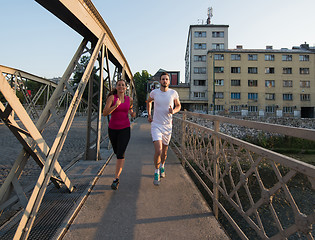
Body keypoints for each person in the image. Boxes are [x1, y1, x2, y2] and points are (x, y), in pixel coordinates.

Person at [146, 72, 181, 186]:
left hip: (167, 126)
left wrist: (173, 111)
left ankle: (162, 166)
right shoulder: (154, 92)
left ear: (169, 81)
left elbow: (178, 106)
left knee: (165, 152)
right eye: (163, 79)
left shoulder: (173, 93)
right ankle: (156, 172)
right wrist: (149, 114)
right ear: (160, 81)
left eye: (166, 79)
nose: (165, 81)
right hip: (156, 125)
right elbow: (148, 102)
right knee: (158, 150)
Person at [103, 79, 136, 190]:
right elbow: (104, 113)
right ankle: (118, 170)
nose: (121, 87)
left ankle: (116, 179)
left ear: (126, 88)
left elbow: (130, 109)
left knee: (120, 154)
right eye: (119, 85)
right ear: (116, 87)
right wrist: (115, 106)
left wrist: (132, 113)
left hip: (125, 129)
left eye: (123, 85)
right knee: (117, 152)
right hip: (113, 129)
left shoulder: (129, 99)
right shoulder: (112, 98)